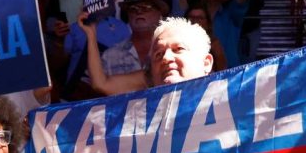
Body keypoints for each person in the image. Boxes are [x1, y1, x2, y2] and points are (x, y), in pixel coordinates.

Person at [81, 16, 214, 95]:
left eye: (178, 49)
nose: (166, 58)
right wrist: (91, 34)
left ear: (206, 63)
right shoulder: (137, 124)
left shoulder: (228, 102)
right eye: (158, 54)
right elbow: (101, 84)